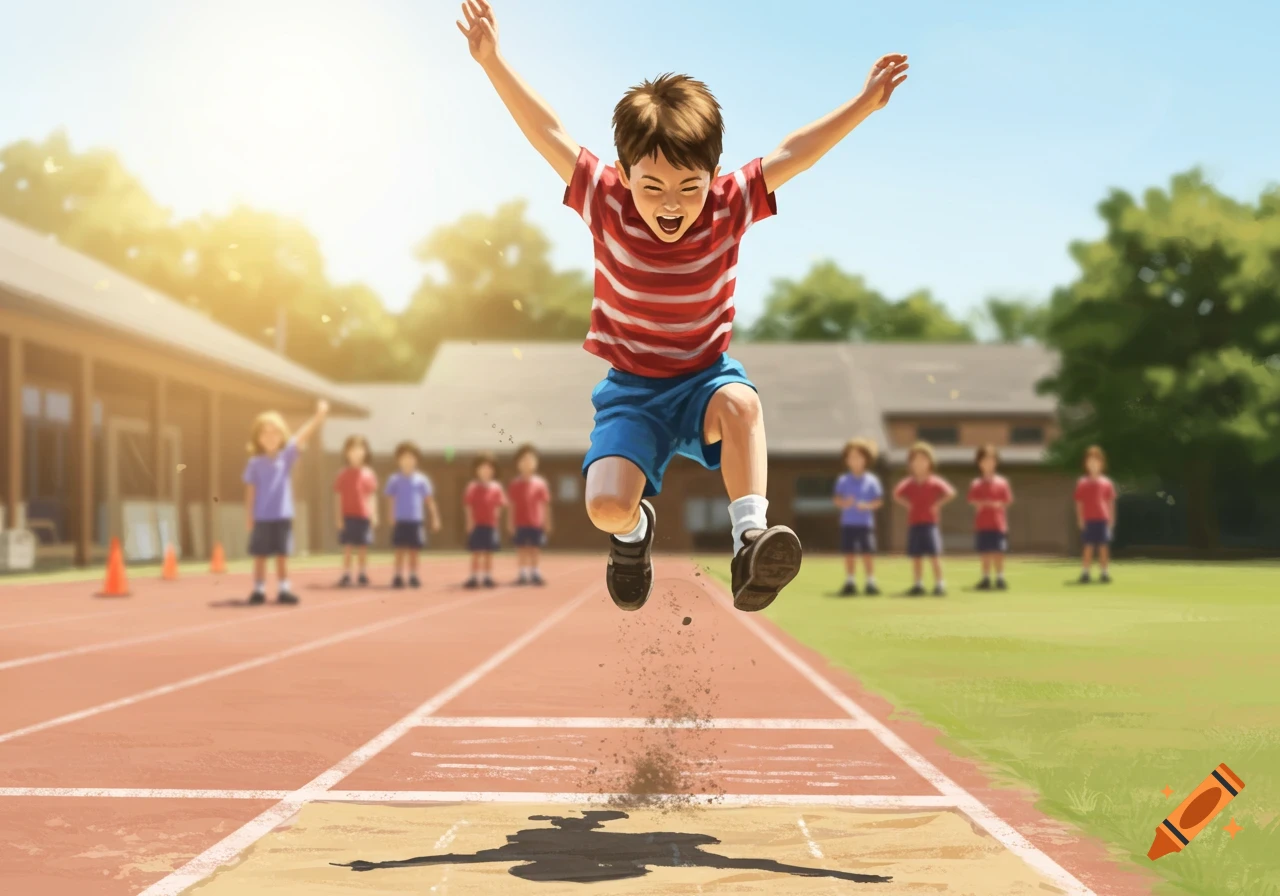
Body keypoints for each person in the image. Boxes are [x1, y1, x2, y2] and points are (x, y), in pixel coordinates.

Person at [457, 0, 908, 612]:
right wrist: (492, 63)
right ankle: (633, 532)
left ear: (713, 175)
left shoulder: (730, 203)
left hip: (703, 380)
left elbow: (794, 152)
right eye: (654, 187)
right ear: (624, 172)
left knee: (743, 402)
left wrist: (863, 105)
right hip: (633, 390)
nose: (671, 204)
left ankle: (751, 542)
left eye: (689, 188)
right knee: (604, 505)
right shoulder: (605, 199)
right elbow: (548, 132)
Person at [242, 400, 328, 604]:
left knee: (282, 555)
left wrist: (318, 418)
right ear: (258, 437)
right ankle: (259, 589)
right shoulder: (254, 463)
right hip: (262, 517)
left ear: (282, 435)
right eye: (265, 433)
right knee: (260, 555)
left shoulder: (286, 457)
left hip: (282, 515)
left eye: (275, 432)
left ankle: (283, 588)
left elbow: (302, 437)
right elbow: (250, 492)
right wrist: (249, 515)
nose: (270, 437)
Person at [892, 442, 955, 596]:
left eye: (923, 459)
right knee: (916, 556)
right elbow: (896, 494)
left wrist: (937, 504)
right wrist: (908, 504)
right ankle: (918, 584)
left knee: (934, 555)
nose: (919, 463)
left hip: (930, 524)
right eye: (915, 459)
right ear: (911, 464)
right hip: (914, 524)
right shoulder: (908, 483)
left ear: (930, 462)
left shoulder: (934, 481)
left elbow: (950, 493)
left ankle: (939, 584)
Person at [385, 441, 441, 589]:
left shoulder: (421, 480)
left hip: (416, 520)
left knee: (414, 550)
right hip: (400, 520)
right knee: (399, 550)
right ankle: (397, 575)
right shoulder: (394, 480)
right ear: (398, 460)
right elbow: (391, 500)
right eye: (404, 457)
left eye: (411, 457)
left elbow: (429, 500)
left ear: (416, 459)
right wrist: (391, 515)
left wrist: (434, 517)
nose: (408, 460)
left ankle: (413, 575)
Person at [833, 438, 883, 596]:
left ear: (866, 460)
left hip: (865, 524)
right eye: (851, 457)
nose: (854, 460)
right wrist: (844, 503)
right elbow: (837, 499)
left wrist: (867, 506)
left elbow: (878, 501)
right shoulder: (843, 480)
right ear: (847, 460)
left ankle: (870, 582)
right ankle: (850, 581)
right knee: (850, 553)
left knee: (867, 553)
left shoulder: (872, 481)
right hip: (848, 523)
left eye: (858, 457)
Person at [334, 435, 378, 587]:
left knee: (363, 547)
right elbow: (338, 497)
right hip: (348, 516)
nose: (356, 452)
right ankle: (346, 574)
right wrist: (338, 518)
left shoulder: (368, 474)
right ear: (347, 453)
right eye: (352, 449)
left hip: (363, 516)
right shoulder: (342, 474)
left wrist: (374, 515)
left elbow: (371, 496)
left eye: (360, 449)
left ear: (365, 452)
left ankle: (362, 573)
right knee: (348, 547)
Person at [967, 444, 1013, 590]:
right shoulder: (976, 483)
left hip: (998, 523)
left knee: (998, 551)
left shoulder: (1002, 482)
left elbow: (1007, 500)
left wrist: (997, 505)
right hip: (982, 523)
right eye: (984, 460)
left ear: (996, 462)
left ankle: (1000, 578)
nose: (988, 464)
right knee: (985, 552)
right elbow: (972, 500)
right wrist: (982, 503)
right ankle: (985, 578)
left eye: (991, 460)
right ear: (979, 463)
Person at [508, 444, 552, 586]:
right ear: (518, 464)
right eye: (523, 460)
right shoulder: (515, 484)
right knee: (521, 548)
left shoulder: (540, 484)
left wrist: (547, 522)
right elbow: (511, 506)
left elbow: (545, 505)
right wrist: (509, 523)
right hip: (520, 522)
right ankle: (522, 573)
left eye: (530, 460)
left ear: (535, 463)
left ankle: (535, 572)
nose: (527, 463)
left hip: (535, 522)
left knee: (534, 548)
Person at [464, 453, 507, 589]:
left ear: (493, 470)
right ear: (477, 470)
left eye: (489, 468)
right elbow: (468, 506)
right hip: (477, 525)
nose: (485, 471)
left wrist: (497, 520)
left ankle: (487, 576)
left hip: (490, 525)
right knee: (476, 552)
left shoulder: (497, 488)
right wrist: (469, 522)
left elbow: (500, 505)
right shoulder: (472, 487)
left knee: (488, 552)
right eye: (482, 468)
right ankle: (474, 577)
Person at [1075, 444, 1117, 583]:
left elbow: (1110, 502)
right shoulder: (1082, 483)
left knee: (1103, 547)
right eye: (1090, 461)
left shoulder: (1107, 483)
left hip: (1103, 519)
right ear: (1086, 464)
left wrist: (1111, 519)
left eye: (1096, 461)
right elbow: (1079, 502)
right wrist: (1080, 519)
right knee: (1088, 546)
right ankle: (1085, 573)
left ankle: (1104, 573)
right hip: (1088, 519)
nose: (1093, 464)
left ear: (1101, 464)